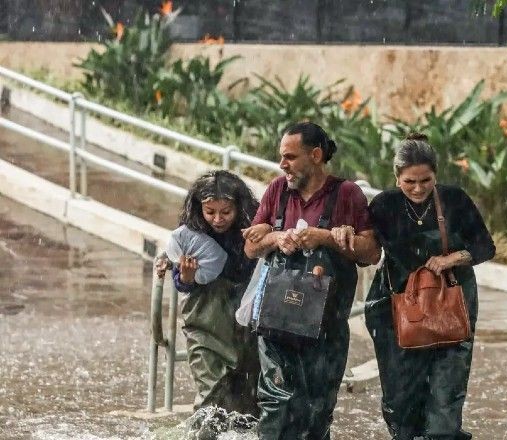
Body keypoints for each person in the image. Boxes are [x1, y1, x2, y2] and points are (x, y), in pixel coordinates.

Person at [244, 121, 380, 439]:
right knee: (277, 404)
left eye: (290, 156)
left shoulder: (347, 194)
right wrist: (277, 238)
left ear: (316, 155)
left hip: (326, 328)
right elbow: (250, 247)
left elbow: (371, 252)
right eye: (281, 157)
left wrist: (326, 237)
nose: (282, 164)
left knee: (316, 414)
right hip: (276, 322)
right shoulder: (277, 190)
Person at [363, 133, 495, 440]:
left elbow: (486, 246)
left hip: (451, 305)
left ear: (436, 175)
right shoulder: (384, 206)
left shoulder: (455, 200)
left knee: (447, 393)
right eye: (410, 181)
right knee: (400, 397)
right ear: (397, 178)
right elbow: (386, 252)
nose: (419, 188)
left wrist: (452, 259)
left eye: (426, 180)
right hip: (397, 308)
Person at [156, 170, 269, 415]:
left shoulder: (253, 227)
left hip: (246, 325)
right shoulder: (191, 232)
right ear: (199, 210)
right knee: (210, 398)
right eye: (210, 212)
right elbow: (182, 282)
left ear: (239, 208)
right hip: (205, 325)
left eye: (226, 212)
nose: (218, 219)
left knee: (247, 400)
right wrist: (186, 276)